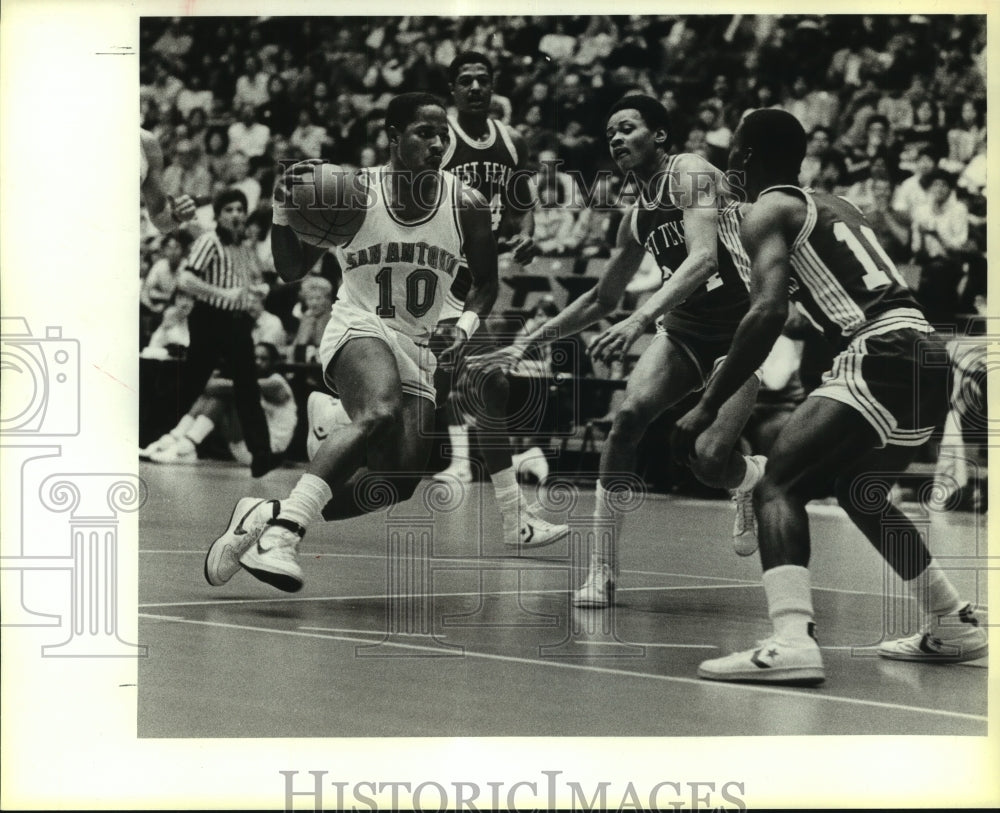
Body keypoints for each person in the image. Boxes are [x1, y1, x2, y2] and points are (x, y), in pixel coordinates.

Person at [673, 109, 986, 686]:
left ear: (745, 156)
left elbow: (766, 312)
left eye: (735, 151)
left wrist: (707, 404)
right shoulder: (838, 205)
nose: (730, 161)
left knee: (777, 485)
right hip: (927, 353)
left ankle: (792, 639)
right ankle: (953, 620)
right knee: (860, 492)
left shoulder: (769, 210)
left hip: (880, 350)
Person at [471, 94, 765, 608]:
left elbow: (702, 260)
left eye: (627, 127)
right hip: (686, 332)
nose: (615, 138)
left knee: (707, 459)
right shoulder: (636, 216)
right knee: (627, 418)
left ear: (658, 136)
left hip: (740, 332)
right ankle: (602, 571)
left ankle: (749, 478)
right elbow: (599, 298)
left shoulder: (690, 171)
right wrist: (524, 344)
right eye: (610, 132)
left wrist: (639, 318)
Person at [205, 92, 499, 593]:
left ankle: (266, 512)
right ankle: (283, 535)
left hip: (421, 345)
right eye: (424, 133)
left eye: (443, 135)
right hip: (359, 325)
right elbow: (293, 269)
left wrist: (464, 326)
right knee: (380, 409)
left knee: (398, 481)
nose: (438, 144)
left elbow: (487, 285)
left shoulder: (466, 205)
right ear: (393, 137)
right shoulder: (352, 192)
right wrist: (281, 209)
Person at [430, 50, 568, 549]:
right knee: (430, 389)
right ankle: (335, 419)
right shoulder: (439, 137)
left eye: (482, 80)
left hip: (472, 283)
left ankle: (515, 519)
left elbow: (520, 204)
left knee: (491, 386)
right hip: (431, 276)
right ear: (452, 89)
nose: (474, 87)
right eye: (464, 80)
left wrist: (526, 233)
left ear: (493, 86)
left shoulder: (511, 141)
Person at [157, 188, 279, 478]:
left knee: (247, 385)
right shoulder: (209, 241)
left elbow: (254, 278)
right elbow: (186, 279)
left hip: (237, 322)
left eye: (240, 209)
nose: (236, 214)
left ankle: (261, 454)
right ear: (219, 214)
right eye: (229, 209)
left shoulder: (243, 246)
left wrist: (259, 288)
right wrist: (221, 292)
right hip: (210, 319)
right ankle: (151, 430)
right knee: (192, 382)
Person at [143, 343, 296, 467]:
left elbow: (214, 386)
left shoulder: (277, 385)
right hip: (243, 448)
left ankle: (185, 447)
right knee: (220, 394)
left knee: (226, 396)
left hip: (266, 454)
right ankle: (174, 440)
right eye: (254, 357)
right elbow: (211, 387)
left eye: (264, 359)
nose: (257, 362)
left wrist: (218, 382)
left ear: (274, 362)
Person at [140, 128, 196, 233]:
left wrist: (176, 216)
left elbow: (159, 215)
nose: (184, 157)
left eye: (187, 154)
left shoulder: (146, 142)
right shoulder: (170, 171)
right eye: (181, 154)